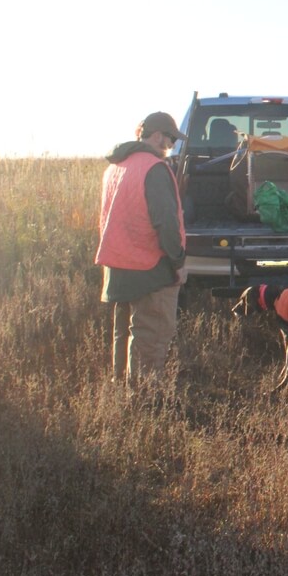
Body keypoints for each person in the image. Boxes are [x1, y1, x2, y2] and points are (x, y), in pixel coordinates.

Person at [94, 111, 188, 390]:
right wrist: (178, 262)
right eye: (170, 140)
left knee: (123, 333)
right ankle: (144, 398)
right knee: (152, 334)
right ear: (157, 136)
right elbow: (166, 222)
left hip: (118, 264)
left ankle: (121, 391)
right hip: (150, 267)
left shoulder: (116, 166)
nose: (170, 146)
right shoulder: (154, 169)